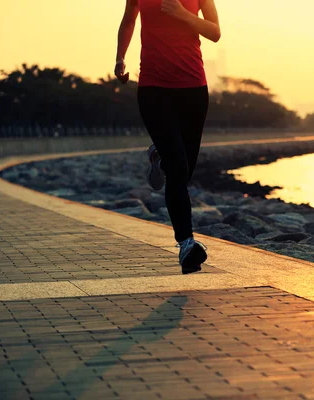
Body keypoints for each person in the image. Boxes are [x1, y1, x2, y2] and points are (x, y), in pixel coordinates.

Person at [115, 0, 221, 274]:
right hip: (153, 88)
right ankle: (186, 244)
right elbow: (129, 20)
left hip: (193, 88)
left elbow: (214, 32)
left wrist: (182, 14)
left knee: (184, 171)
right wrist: (120, 57)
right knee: (178, 170)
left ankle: (159, 157)